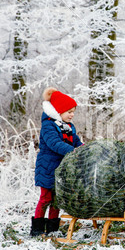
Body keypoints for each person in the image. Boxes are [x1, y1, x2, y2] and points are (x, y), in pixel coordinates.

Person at [30, 87, 83, 236]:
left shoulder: (69, 127)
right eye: (69, 112)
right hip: (47, 167)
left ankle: (53, 229)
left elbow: (76, 141)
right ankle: (38, 228)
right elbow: (54, 143)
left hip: (61, 168)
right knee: (46, 197)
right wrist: (72, 151)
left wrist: (83, 149)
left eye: (73, 112)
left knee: (57, 199)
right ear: (59, 111)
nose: (72, 115)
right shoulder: (48, 125)